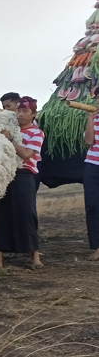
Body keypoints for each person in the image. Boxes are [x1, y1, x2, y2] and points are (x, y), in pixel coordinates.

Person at [0, 96, 44, 269]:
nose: (21, 115)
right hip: (4, 175)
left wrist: (9, 140)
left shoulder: (36, 133)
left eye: (26, 111)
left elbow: (26, 154)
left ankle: (34, 256)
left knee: (28, 214)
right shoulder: (8, 129)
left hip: (24, 175)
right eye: (18, 110)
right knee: (1, 215)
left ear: (33, 114)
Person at [84, 100, 99, 261]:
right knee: (93, 205)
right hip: (92, 165)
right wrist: (89, 118)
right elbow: (89, 141)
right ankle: (97, 247)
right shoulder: (94, 119)